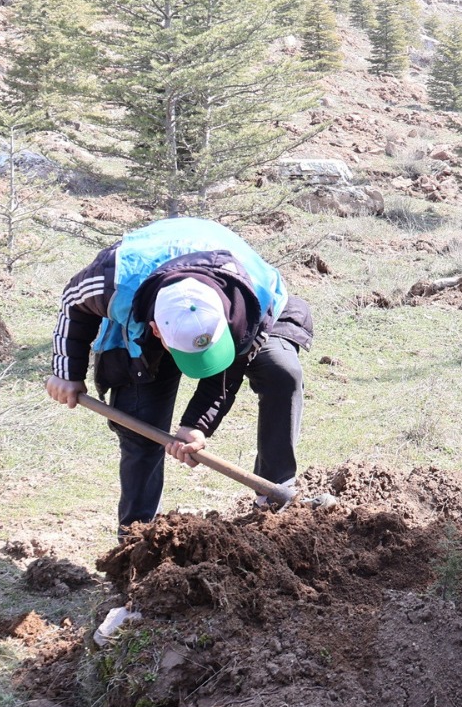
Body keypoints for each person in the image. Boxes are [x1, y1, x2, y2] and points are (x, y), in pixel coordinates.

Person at [44, 217, 312, 533]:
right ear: (156, 331)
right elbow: (74, 302)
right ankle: (137, 537)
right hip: (142, 301)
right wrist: (66, 371)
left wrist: (196, 426)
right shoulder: (114, 282)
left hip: (244, 301)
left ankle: (275, 498)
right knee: (141, 427)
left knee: (281, 371)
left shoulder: (250, 304)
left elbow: (228, 373)